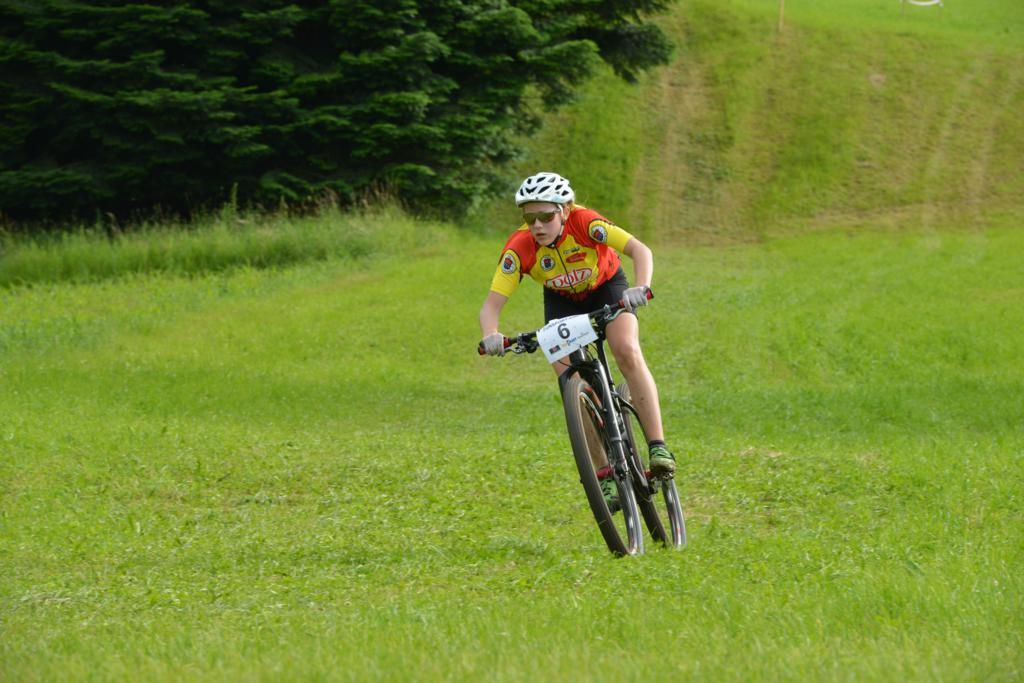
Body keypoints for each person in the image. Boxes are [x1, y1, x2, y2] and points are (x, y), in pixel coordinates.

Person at [479, 171, 676, 508]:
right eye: (529, 217)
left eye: (546, 216)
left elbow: (639, 250)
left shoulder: (586, 223)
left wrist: (641, 286)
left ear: (565, 210)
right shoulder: (520, 247)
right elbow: (491, 305)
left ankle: (658, 446)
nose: (537, 225)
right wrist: (491, 335)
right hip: (562, 302)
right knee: (569, 378)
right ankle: (604, 473)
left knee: (626, 349)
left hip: (606, 287)